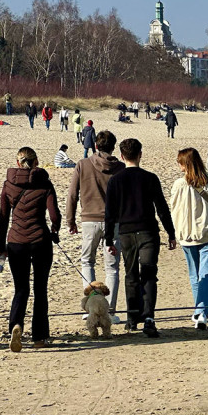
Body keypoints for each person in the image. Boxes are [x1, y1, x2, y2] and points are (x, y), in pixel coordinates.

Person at [104, 138, 177, 338]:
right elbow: (162, 208)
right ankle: (148, 318)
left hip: (126, 233)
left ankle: (132, 318)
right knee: (149, 274)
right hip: (147, 231)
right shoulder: (150, 178)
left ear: (121, 156)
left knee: (131, 275)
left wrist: (109, 239)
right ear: (140, 154)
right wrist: (171, 233)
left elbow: (109, 213)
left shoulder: (115, 180)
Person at [0, 147, 61, 352]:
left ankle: (16, 325)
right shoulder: (45, 183)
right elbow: (54, 216)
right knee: (40, 289)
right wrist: (55, 230)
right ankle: (39, 337)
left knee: (21, 288)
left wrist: (1, 248)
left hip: (15, 241)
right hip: (40, 240)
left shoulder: (8, 185)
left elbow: (3, 219)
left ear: (18, 163)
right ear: (36, 162)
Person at [67, 129, 125, 323]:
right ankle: (109, 311)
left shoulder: (83, 164)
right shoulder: (121, 167)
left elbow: (72, 195)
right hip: (114, 222)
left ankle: (92, 308)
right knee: (112, 268)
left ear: (96, 146)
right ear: (113, 146)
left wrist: (70, 220)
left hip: (90, 220)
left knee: (88, 262)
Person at [170, 148, 208, 330]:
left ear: (185, 164)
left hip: (195, 234)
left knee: (199, 274)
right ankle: (201, 311)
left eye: (180, 162)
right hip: (204, 233)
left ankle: (201, 311)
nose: (178, 165)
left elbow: (173, 208)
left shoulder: (181, 185)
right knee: (203, 274)